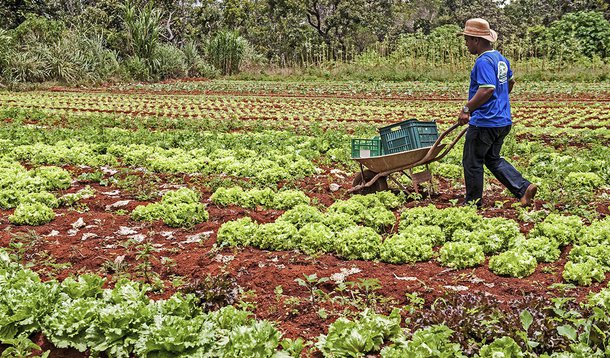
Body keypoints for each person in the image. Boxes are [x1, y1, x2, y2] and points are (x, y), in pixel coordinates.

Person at [457, 18, 537, 207]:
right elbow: (510, 83)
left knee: (472, 161)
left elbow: (487, 89)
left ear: (476, 40)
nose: (466, 44)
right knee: (492, 158)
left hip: (485, 122)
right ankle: (523, 188)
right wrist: (498, 102)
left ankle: (472, 203)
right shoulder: (501, 60)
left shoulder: (483, 61)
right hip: (502, 120)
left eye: (467, 40)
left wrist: (467, 109)